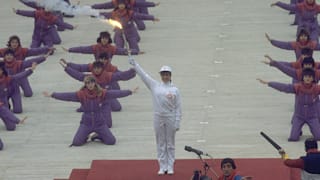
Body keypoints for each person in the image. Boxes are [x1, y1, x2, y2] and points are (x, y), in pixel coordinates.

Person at [43, 75, 137, 146]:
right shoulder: (81, 94)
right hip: (86, 123)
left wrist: (129, 92)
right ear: (85, 84)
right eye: (88, 83)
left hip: (99, 123)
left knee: (111, 141)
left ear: (95, 83)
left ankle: (97, 135)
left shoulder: (101, 93)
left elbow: (115, 93)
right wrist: (53, 95)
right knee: (76, 143)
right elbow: (67, 96)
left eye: (92, 82)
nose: (90, 85)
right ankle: (85, 136)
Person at [128, 57, 181, 175]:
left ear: (170, 75)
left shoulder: (175, 89)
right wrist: (135, 65)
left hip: (170, 116)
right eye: (163, 74)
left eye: (167, 74)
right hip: (158, 116)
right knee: (160, 142)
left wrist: (177, 121)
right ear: (161, 75)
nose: (165, 76)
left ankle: (170, 165)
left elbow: (178, 107)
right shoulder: (155, 85)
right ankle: (162, 166)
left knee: (170, 143)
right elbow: (144, 76)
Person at [257, 68, 320, 141]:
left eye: (310, 77)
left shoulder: (316, 88)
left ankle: (314, 129)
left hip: (312, 116)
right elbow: (284, 87)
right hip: (299, 116)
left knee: (318, 137)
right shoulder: (298, 87)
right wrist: (269, 83)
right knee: (293, 138)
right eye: (306, 76)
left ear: (313, 78)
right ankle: (297, 130)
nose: (308, 78)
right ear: (303, 77)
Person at [62, 31, 138, 60]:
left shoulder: (111, 48)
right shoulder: (95, 47)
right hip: (97, 67)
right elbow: (82, 49)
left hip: (108, 68)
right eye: (103, 38)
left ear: (108, 40)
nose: (104, 40)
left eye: (106, 38)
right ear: (100, 39)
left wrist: (136, 52)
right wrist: (70, 49)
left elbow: (123, 51)